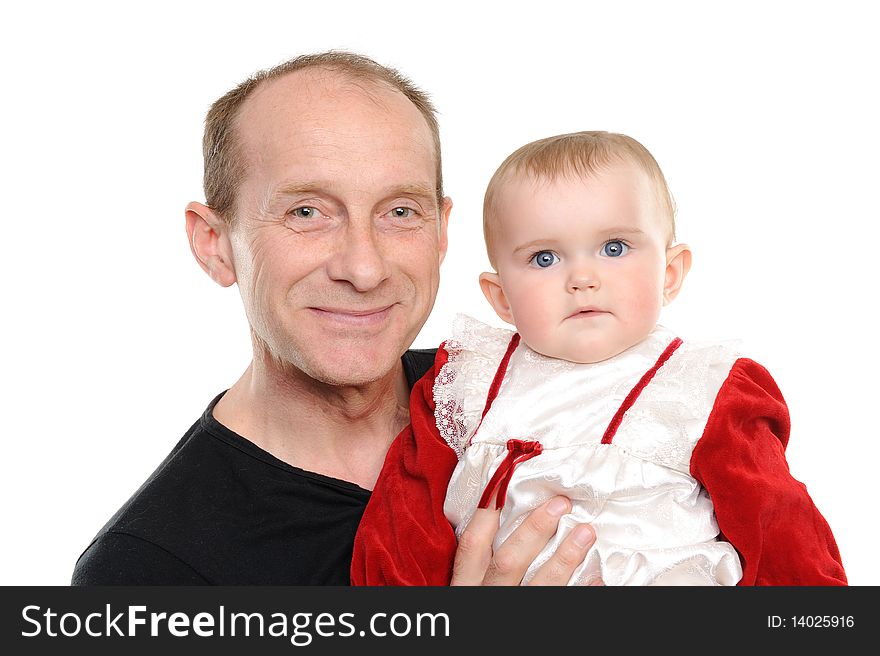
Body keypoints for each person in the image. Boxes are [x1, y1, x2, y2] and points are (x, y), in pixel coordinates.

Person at [70, 51, 598, 585]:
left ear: (441, 232)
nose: (364, 268)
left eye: (399, 212)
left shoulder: (521, 394)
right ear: (215, 244)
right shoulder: (144, 573)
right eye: (307, 212)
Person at [351, 131, 848, 586]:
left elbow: (780, 528)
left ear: (670, 273)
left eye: (614, 247)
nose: (582, 278)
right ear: (501, 297)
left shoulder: (705, 387)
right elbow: (404, 524)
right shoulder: (465, 383)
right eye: (544, 258)